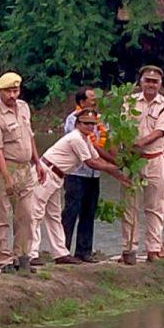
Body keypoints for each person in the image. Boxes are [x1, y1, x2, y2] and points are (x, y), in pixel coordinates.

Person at [31, 109, 131, 264]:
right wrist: (117, 168)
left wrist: (121, 177)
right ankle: (31, 254)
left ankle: (60, 253)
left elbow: (99, 160)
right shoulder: (76, 138)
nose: (90, 127)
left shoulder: (86, 140)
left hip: (57, 176)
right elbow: (91, 163)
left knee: (54, 215)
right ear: (78, 124)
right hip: (46, 173)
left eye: (93, 124)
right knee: (36, 213)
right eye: (86, 123)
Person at [0, 71, 46, 274]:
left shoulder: (24, 108)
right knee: (1, 213)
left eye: (16, 90)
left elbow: (29, 137)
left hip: (24, 167)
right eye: (8, 91)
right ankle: (2, 258)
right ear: (0, 92)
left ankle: (23, 255)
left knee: (27, 214)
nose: (13, 95)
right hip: (4, 166)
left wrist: (37, 162)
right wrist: (7, 178)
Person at [120, 66, 164, 264]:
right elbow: (123, 127)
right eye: (147, 80)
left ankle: (153, 248)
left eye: (155, 81)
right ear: (140, 81)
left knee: (155, 206)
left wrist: (139, 144)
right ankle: (128, 249)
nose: (151, 84)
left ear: (160, 84)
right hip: (132, 161)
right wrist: (127, 148)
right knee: (129, 206)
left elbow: (160, 131)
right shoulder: (129, 102)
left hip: (154, 159)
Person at [62, 87, 117, 263]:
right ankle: (62, 250)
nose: (95, 100)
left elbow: (107, 142)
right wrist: (112, 166)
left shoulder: (100, 120)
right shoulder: (73, 120)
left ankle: (84, 251)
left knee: (89, 211)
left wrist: (117, 157)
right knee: (71, 211)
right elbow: (88, 147)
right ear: (81, 102)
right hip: (77, 172)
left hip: (94, 174)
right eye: (91, 98)